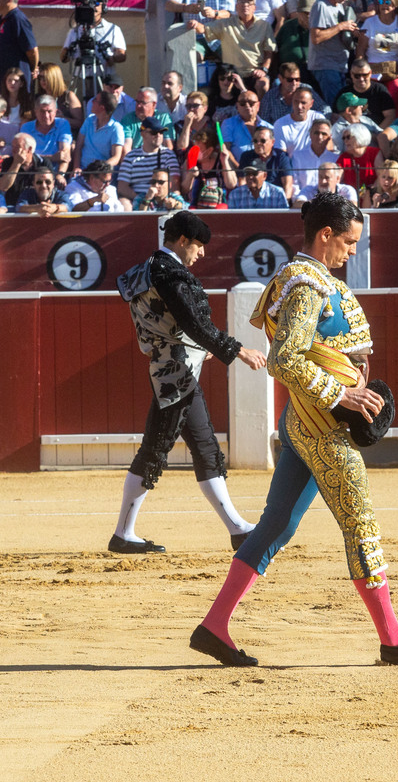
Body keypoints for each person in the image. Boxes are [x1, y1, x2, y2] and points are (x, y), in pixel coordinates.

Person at [192, 192, 398, 667]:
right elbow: (284, 358)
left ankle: (214, 625)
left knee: (276, 523)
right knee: (360, 523)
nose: (353, 251)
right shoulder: (308, 285)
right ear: (325, 235)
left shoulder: (301, 278)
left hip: (302, 421)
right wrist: (342, 394)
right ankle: (392, 637)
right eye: (348, 242)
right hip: (321, 426)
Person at [113, 210, 267, 555]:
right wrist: (237, 350)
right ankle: (124, 534)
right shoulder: (169, 273)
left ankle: (237, 528)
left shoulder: (148, 269)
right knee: (158, 449)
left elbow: (163, 323)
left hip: (173, 369)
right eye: (198, 246)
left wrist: (198, 346)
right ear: (182, 241)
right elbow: (192, 322)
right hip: (175, 374)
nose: (202, 253)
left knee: (203, 446)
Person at [164, 0, 236, 95]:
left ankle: (230, 95)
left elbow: (230, 13)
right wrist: (185, 7)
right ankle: (189, 94)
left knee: (231, 57)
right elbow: (168, 4)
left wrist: (215, 13)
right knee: (191, 56)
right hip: (195, 36)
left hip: (217, 36)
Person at [197, 0, 276, 90]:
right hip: (231, 73)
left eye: (249, 3)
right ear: (236, 7)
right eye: (242, 2)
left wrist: (264, 69)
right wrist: (195, 25)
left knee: (263, 84)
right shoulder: (225, 23)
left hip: (254, 73)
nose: (245, 5)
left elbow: (269, 52)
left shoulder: (264, 26)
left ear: (254, 8)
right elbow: (204, 29)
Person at [308, 0, 358, 103]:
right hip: (325, 65)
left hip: (340, 64)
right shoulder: (321, 6)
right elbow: (316, 37)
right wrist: (340, 26)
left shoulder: (339, 5)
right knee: (335, 106)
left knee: (341, 104)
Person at [0, 0, 39, 92]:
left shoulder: (18, 19)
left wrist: (32, 69)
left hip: (14, 86)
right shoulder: (3, 19)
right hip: (0, 82)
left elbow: (32, 50)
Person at [18, 94, 71, 175]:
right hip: (32, 173)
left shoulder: (63, 124)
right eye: (42, 111)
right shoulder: (26, 128)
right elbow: (24, 157)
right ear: (35, 111)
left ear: (56, 111)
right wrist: (52, 158)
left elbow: (65, 155)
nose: (46, 116)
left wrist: (60, 175)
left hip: (56, 174)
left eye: (49, 111)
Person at [238, 125, 294, 198]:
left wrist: (284, 206)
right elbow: (242, 182)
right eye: (255, 141)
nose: (258, 143)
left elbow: (288, 184)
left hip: (276, 200)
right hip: (251, 200)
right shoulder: (246, 156)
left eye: (262, 141)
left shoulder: (281, 157)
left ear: (272, 142)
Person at [75, 90, 126, 168]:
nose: (92, 102)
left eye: (95, 100)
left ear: (102, 107)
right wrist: (76, 167)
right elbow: (78, 146)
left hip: (102, 174)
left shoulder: (116, 128)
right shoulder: (89, 120)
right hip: (82, 171)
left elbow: (116, 157)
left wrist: (99, 169)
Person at [0, 132, 46, 207]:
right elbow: (3, 187)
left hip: (36, 205)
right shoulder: (8, 162)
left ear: (29, 149)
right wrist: (16, 164)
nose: (13, 150)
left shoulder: (42, 162)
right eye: (13, 146)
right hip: (13, 205)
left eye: (17, 147)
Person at [120, 87, 176, 151]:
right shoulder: (128, 120)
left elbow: (168, 146)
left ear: (154, 104)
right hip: (135, 159)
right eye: (137, 102)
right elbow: (126, 148)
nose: (138, 106)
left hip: (158, 157)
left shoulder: (163, 118)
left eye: (143, 103)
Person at [289, 117, 336, 189]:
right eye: (316, 133)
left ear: (329, 137)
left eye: (324, 134)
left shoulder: (334, 159)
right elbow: (294, 185)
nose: (320, 137)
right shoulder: (298, 156)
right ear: (310, 135)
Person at [292, 161, 358, 203]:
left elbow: (353, 206)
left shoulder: (347, 190)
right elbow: (297, 204)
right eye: (320, 177)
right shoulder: (308, 190)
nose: (323, 181)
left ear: (337, 179)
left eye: (327, 177)